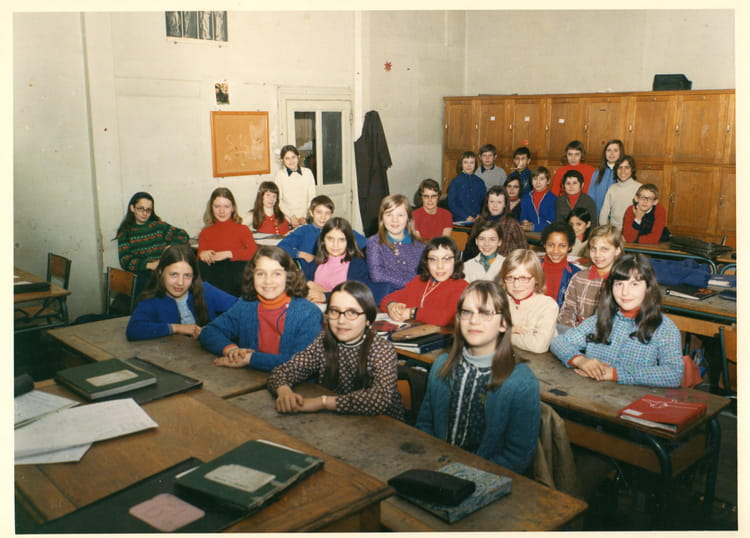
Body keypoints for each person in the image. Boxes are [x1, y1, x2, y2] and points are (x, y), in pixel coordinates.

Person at [416, 280, 540, 474]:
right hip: (436, 466)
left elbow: (518, 456)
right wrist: (434, 464)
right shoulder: (442, 365)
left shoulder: (522, 382)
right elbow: (425, 424)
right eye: (467, 312)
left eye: (485, 313)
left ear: (503, 324)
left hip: (488, 476)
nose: (474, 320)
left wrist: (467, 476)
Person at [267, 280, 405, 420]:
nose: (341, 321)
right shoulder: (323, 340)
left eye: (352, 312)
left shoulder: (381, 349)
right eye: (334, 311)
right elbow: (284, 370)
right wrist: (284, 392)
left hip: (382, 424)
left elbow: (380, 398)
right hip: (339, 419)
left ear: (368, 319)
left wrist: (322, 403)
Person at [550, 253, 683, 387]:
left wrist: (614, 373)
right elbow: (559, 342)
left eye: (634, 284)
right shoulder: (599, 320)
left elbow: (674, 374)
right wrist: (580, 361)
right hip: (591, 393)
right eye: (619, 284)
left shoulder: (665, 328)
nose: (625, 292)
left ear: (648, 288)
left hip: (633, 397)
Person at [199, 246, 322, 371]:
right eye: (261, 274)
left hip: (293, 381)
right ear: (252, 276)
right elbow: (209, 331)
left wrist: (251, 359)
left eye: (276, 274)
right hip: (250, 378)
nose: (268, 281)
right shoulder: (246, 304)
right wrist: (232, 350)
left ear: (289, 276)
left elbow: (303, 363)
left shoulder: (308, 313)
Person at [126, 244, 236, 341]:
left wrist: (215, 328)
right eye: (174, 274)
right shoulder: (152, 299)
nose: (180, 282)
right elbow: (133, 330)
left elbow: (241, 308)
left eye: (187, 275)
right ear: (160, 272)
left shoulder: (206, 291)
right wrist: (176, 328)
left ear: (194, 276)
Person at [380, 236, 468, 327]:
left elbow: (450, 317)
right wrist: (391, 306)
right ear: (426, 262)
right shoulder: (419, 281)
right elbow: (387, 299)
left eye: (446, 259)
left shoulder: (462, 286)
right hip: (414, 332)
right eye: (433, 259)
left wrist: (413, 313)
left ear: (455, 261)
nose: (440, 266)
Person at [116, 191, 190, 298]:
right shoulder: (125, 232)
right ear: (132, 208)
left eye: (148, 210)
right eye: (141, 209)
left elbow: (183, 235)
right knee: (146, 285)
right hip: (142, 274)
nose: (145, 213)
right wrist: (149, 265)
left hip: (163, 270)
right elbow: (125, 261)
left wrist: (170, 247)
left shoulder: (158, 226)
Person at [557, 225, 624, 331]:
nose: (597, 255)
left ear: (617, 250)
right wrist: (572, 333)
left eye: (604, 249)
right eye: (593, 249)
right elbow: (567, 311)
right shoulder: (579, 278)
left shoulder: (623, 281)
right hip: (577, 333)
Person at [198, 187, 258, 297]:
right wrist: (203, 254)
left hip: (236, 282)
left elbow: (253, 252)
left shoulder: (242, 230)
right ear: (211, 208)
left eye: (226, 206)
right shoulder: (205, 233)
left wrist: (228, 253)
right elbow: (200, 256)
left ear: (233, 208)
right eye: (217, 206)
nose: (222, 211)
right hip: (214, 281)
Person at [497, 249, 558, 353]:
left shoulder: (548, 305)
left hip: (541, 361)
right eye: (510, 278)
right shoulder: (499, 299)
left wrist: (504, 335)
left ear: (537, 278)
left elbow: (539, 346)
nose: (516, 285)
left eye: (524, 278)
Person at [277, 195, 366, 266]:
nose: (323, 217)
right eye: (319, 212)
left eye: (327, 213)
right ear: (311, 213)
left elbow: (366, 244)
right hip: (311, 273)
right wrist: (302, 255)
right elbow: (280, 247)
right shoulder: (303, 231)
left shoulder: (338, 230)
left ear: (332, 215)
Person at [302, 217, 374, 304]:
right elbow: (297, 282)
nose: (335, 245)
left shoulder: (358, 265)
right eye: (330, 239)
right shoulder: (316, 263)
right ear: (323, 240)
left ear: (348, 241)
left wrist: (325, 296)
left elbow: (357, 296)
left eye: (341, 240)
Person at [366, 194, 425, 295]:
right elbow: (377, 275)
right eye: (389, 215)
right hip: (387, 295)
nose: (394, 220)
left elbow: (426, 274)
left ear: (408, 218)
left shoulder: (420, 246)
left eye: (400, 215)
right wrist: (412, 284)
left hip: (415, 293)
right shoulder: (375, 243)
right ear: (382, 217)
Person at [275, 144, 317, 228]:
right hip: (288, 219)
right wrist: (291, 216)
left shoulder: (307, 173)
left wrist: (305, 216)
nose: (291, 161)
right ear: (282, 160)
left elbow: (312, 197)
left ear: (298, 157)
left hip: (305, 219)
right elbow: (278, 200)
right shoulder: (279, 175)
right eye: (287, 158)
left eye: (293, 157)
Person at [540, 222, 580, 308]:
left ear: (569, 247)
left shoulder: (576, 274)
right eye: (550, 245)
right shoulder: (533, 269)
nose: (555, 251)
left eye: (562, 246)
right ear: (544, 244)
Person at [599, 155, 642, 231]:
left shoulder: (640, 188)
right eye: (620, 168)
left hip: (633, 230)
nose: (623, 171)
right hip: (614, 231)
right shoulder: (612, 188)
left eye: (627, 168)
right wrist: (605, 231)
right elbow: (604, 212)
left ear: (632, 169)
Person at [447, 151, 486, 222]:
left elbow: (485, 202)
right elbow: (452, 204)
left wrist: (480, 214)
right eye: (465, 162)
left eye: (472, 162)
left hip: (477, 220)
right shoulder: (455, 182)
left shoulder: (480, 182)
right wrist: (465, 216)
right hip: (460, 220)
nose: (469, 165)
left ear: (475, 164)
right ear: (461, 164)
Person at [588, 139, 624, 215]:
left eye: (615, 150)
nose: (611, 153)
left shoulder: (624, 174)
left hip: (616, 217)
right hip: (597, 215)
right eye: (609, 150)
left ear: (621, 153)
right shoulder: (597, 173)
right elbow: (591, 196)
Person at [519, 167, 556, 232]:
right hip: (528, 233)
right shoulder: (526, 198)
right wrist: (524, 222)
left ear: (548, 181)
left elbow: (552, 222)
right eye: (535, 179)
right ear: (531, 181)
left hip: (547, 233)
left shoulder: (553, 199)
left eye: (542, 179)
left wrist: (534, 227)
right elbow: (523, 217)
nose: (538, 182)